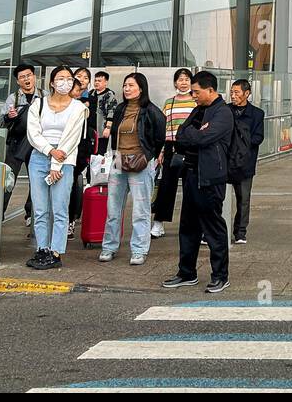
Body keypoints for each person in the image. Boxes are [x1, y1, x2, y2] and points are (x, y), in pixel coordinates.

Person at [163, 70, 232, 292]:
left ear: (210, 90)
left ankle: (220, 275)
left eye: (196, 91)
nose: (193, 95)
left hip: (211, 178)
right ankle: (186, 272)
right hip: (192, 174)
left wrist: (195, 134)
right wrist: (194, 133)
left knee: (213, 228)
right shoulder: (198, 110)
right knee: (188, 226)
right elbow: (181, 135)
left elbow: (203, 138)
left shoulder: (223, 113)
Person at [24, 65, 87, 271]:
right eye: (60, 78)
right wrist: (50, 152)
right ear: (52, 82)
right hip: (39, 157)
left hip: (65, 159)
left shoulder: (78, 108)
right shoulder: (38, 104)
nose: (65, 82)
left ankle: (56, 251)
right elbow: (33, 134)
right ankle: (42, 248)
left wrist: (56, 163)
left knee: (60, 209)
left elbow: (72, 138)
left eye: (69, 78)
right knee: (40, 209)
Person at [99, 72, 166, 266]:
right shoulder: (120, 109)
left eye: (131, 85)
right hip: (119, 160)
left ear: (141, 88)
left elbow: (159, 137)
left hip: (141, 163)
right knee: (113, 208)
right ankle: (109, 246)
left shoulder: (151, 111)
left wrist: (148, 156)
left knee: (140, 210)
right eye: (125, 85)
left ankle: (139, 250)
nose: (127, 89)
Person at [152, 68, 195, 239]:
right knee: (166, 187)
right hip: (171, 147)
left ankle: (190, 224)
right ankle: (158, 223)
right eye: (180, 79)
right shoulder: (169, 102)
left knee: (190, 187)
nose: (183, 82)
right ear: (175, 83)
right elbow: (164, 127)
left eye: (186, 79)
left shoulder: (195, 102)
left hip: (190, 147)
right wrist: (161, 150)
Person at [0, 63, 42, 228]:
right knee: (8, 179)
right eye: (23, 77)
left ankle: (31, 213)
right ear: (18, 81)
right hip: (16, 144)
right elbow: (0, 122)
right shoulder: (13, 98)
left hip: (37, 145)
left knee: (36, 180)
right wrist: (10, 117)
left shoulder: (44, 96)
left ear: (34, 76)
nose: (27, 79)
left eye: (29, 75)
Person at [229, 79, 265, 244]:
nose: (233, 95)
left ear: (247, 93)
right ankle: (212, 232)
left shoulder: (257, 114)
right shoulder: (225, 110)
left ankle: (240, 232)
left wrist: (242, 142)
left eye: (237, 92)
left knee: (243, 199)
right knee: (217, 197)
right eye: (232, 92)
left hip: (245, 162)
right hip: (226, 160)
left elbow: (259, 137)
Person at [67, 66, 96, 228]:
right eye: (79, 76)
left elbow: (90, 124)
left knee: (72, 184)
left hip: (80, 148)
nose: (82, 80)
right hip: (61, 150)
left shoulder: (91, 100)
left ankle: (71, 219)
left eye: (85, 77)